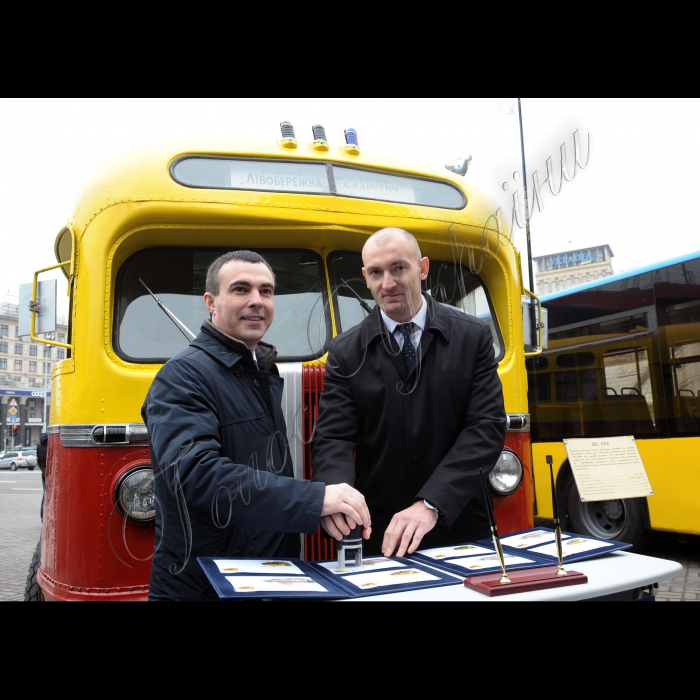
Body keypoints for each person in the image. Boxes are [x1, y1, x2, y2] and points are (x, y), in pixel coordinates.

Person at [142, 250, 371, 601]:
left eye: (266, 291)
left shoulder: (259, 371)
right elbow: (195, 474)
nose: (257, 301)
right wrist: (315, 499)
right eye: (240, 289)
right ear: (210, 302)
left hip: (261, 577)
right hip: (207, 585)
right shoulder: (181, 376)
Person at [312, 228, 506, 558]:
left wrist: (433, 501)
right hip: (380, 532)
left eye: (398, 268)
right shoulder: (344, 352)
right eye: (376, 272)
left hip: (457, 524)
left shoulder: (472, 337)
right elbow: (334, 438)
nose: (387, 283)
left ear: (423, 268)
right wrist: (337, 490)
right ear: (365, 277)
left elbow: (485, 427)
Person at [36, 432, 48, 521]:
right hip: (50, 473)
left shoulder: (39, 446)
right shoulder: (51, 445)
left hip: (44, 473)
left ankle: (42, 517)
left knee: (44, 496)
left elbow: (38, 461)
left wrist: (42, 469)